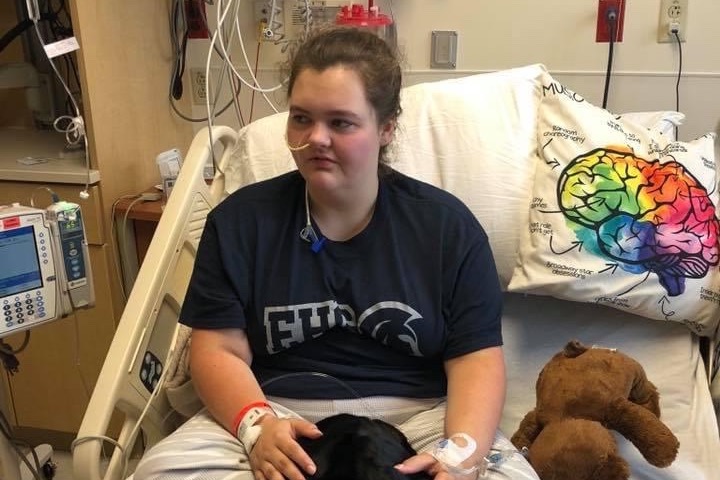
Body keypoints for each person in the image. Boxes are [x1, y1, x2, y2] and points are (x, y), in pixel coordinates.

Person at [133, 25, 538, 480]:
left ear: (386, 128)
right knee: (159, 474)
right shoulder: (240, 223)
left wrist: (460, 453)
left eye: (340, 123)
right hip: (275, 411)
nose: (316, 138)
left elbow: (475, 359)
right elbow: (218, 349)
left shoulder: (447, 229)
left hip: (421, 416)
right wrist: (255, 426)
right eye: (301, 118)